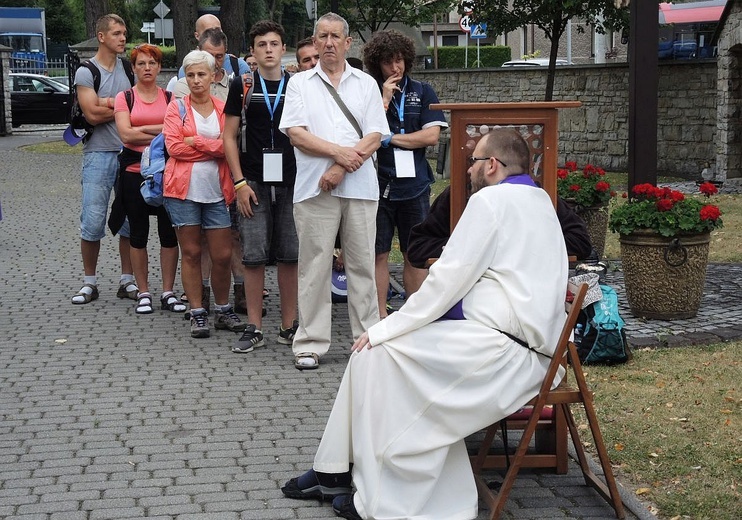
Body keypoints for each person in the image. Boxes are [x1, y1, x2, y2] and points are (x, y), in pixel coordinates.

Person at [281, 128, 569, 520]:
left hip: (501, 352)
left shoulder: (491, 202)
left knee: (377, 353)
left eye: (472, 162)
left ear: (492, 166)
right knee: (371, 355)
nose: (466, 170)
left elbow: (447, 282)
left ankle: (387, 500)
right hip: (507, 343)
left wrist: (386, 326)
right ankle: (332, 469)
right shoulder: (540, 200)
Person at [279, 12, 390, 370]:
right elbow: (296, 133)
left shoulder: (366, 83)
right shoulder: (299, 84)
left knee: (361, 266)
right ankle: (309, 343)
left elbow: (375, 134)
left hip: (359, 186)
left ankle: (367, 339)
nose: (328, 43)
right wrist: (338, 153)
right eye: (321, 36)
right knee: (313, 266)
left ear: (347, 43)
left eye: (335, 36)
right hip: (314, 187)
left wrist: (342, 165)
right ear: (314, 42)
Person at [223, 20, 299, 353]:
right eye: (261, 45)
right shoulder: (241, 84)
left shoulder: (298, 85)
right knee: (253, 256)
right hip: (252, 181)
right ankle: (254, 327)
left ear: (284, 49)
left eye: (274, 44)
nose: (268, 50)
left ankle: (289, 326)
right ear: (252, 52)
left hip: (293, 181)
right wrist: (239, 183)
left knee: (290, 255)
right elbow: (227, 137)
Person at [362, 30, 448, 317]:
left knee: (416, 253)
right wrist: (383, 99)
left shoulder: (423, 90)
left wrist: (389, 138)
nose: (395, 68)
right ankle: (380, 317)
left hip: (415, 185)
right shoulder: (368, 92)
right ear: (378, 65)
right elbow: (361, 134)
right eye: (388, 62)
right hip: (378, 185)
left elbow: (430, 137)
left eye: (399, 61)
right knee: (379, 252)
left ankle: (414, 314)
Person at [162, 50, 246, 338]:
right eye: (191, 75)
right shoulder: (177, 108)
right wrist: (213, 145)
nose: (196, 80)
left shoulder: (224, 109)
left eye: (201, 74)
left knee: (222, 254)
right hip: (182, 192)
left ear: (213, 76)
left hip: (218, 192)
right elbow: (174, 148)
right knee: (192, 253)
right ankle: (198, 312)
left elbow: (229, 147)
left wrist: (196, 141)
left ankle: (223, 310)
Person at [111, 44, 185, 315]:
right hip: (133, 174)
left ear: (159, 67)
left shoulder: (169, 98)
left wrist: (141, 128)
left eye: (151, 63)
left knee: (169, 234)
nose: (146, 68)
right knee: (138, 233)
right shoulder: (125, 98)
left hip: (166, 174)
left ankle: (167, 291)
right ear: (133, 68)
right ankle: (143, 292)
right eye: (141, 64)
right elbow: (126, 136)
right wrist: (159, 133)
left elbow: (175, 132)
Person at [71, 13, 137, 305]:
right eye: (117, 33)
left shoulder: (127, 68)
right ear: (101, 37)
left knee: (129, 220)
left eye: (124, 33)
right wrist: (121, 107)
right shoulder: (87, 72)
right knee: (93, 219)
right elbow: (91, 114)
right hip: (98, 153)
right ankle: (89, 282)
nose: (123, 38)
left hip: (128, 153)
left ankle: (127, 280)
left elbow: (140, 106)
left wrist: (108, 102)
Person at [407, 184, 594, 269]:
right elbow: (419, 248)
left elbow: (580, 243)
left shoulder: (537, 196)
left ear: (492, 165)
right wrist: (468, 246)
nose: (471, 170)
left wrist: (511, 246)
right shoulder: (458, 195)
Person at [177, 14, 249, 79]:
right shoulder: (187, 68)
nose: (214, 34)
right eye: (207, 32)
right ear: (197, 36)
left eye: (218, 30)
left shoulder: (238, 66)